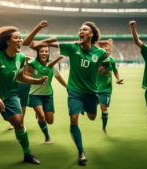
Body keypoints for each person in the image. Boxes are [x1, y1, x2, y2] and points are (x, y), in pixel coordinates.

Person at [32, 21, 111, 164]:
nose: (80, 31)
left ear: (91, 34)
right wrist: (49, 40)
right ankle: (81, 151)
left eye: (84, 30)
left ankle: (83, 108)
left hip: (92, 92)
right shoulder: (72, 46)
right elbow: (35, 44)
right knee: (74, 120)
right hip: (74, 90)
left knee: (92, 117)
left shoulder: (100, 53)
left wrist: (101, 70)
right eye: (79, 29)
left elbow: (107, 66)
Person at [0, 26, 48, 164]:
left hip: (10, 94)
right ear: (8, 41)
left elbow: (20, 77)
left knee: (19, 123)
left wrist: (37, 81)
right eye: (16, 38)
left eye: (21, 38)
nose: (20, 40)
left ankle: (27, 154)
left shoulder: (20, 57)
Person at [95, 39, 123, 134]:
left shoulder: (111, 60)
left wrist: (118, 78)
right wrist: (100, 70)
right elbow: (94, 74)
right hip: (95, 88)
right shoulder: (96, 61)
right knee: (98, 108)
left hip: (106, 88)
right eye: (106, 50)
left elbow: (115, 70)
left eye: (110, 51)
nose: (108, 52)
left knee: (105, 108)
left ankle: (104, 128)